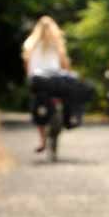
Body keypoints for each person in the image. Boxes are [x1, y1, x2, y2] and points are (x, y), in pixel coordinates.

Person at [22, 15, 70, 153]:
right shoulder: (57, 42)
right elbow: (64, 62)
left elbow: (26, 61)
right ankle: (59, 116)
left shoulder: (30, 42)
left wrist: (29, 76)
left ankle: (43, 140)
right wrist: (66, 73)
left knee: (38, 106)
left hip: (37, 79)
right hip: (55, 78)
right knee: (60, 97)